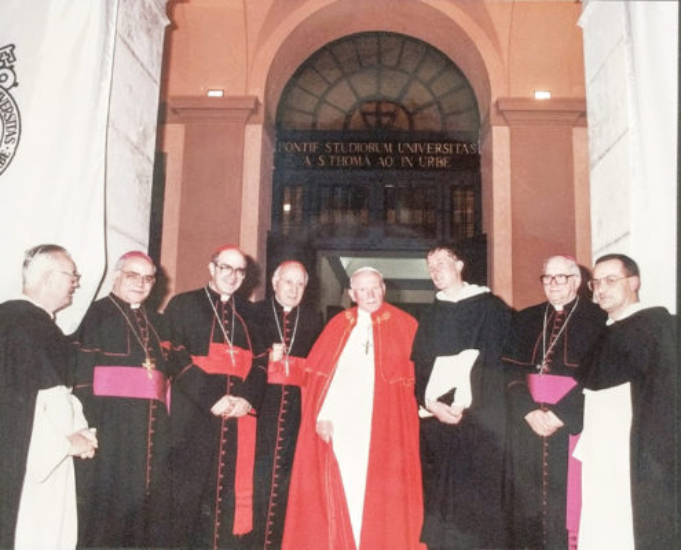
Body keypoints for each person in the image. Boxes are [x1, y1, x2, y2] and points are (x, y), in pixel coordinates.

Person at [283, 267, 424, 550]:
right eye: (362, 289)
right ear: (352, 294)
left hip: (385, 427)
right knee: (346, 487)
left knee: (380, 495)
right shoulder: (339, 324)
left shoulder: (406, 324)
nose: (370, 294)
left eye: (375, 288)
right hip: (344, 424)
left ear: (384, 289)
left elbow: (418, 378)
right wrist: (323, 415)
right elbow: (323, 377)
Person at [164, 244, 266, 549]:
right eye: (225, 268)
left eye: (240, 271)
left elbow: (262, 363)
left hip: (238, 419)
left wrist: (246, 399)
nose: (232, 276)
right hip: (194, 417)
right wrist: (212, 397)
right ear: (212, 268)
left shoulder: (251, 313)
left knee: (229, 499)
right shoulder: (183, 305)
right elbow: (174, 354)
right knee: (188, 497)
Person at [502, 255, 607, 549]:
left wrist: (563, 413)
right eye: (547, 277)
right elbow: (509, 371)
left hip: (573, 421)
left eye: (561, 277)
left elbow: (600, 374)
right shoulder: (526, 319)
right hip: (528, 424)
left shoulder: (599, 319)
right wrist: (527, 410)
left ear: (577, 281)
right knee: (527, 501)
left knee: (570, 500)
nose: (553, 284)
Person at [411, 243, 511, 549]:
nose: (435, 271)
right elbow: (420, 368)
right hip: (439, 423)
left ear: (459, 265)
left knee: (479, 504)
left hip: (481, 420)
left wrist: (467, 401)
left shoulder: (491, 308)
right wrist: (430, 403)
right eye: (430, 266)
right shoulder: (429, 315)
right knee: (441, 500)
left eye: (442, 263)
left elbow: (500, 364)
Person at [574, 254, 676, 549]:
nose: (601, 289)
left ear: (634, 282)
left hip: (636, 451)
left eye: (610, 280)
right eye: (596, 283)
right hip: (603, 452)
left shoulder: (656, 326)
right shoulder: (608, 330)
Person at [71, 251, 172, 547]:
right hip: (109, 429)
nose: (140, 283)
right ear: (116, 277)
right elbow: (81, 377)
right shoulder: (95, 314)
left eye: (148, 278)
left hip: (151, 431)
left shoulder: (157, 322)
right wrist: (86, 425)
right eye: (132, 276)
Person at [0, 244, 98, 549]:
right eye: (71, 275)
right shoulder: (24, 328)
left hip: (46, 455)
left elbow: (58, 395)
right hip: (33, 467)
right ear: (48, 277)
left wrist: (81, 430)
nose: (76, 283)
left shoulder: (30, 324)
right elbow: (19, 408)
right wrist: (67, 443)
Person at [249, 260, 323, 549]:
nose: (294, 289)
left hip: (296, 412)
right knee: (257, 477)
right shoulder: (254, 313)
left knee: (288, 480)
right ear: (274, 283)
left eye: (300, 284)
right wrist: (265, 356)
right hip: (261, 407)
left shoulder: (313, 319)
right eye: (288, 282)